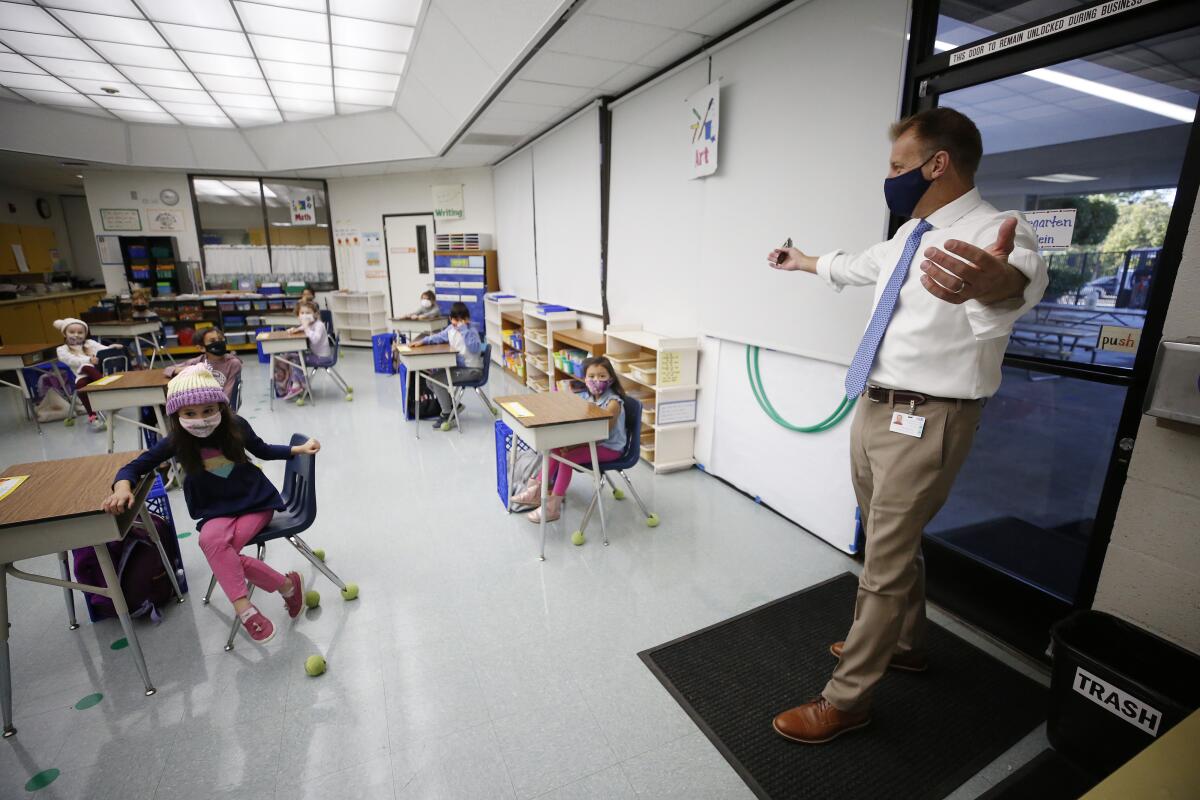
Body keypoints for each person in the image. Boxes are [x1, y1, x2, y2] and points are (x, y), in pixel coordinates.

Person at [766, 108, 1047, 744]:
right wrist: (804, 260)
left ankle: (848, 701)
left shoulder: (999, 230)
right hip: (876, 405)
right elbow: (859, 265)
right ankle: (907, 644)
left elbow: (1018, 278)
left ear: (937, 164)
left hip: (930, 417)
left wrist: (993, 281)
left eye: (898, 166)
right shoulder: (909, 235)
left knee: (884, 562)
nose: (889, 178)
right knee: (891, 541)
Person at [103, 365, 321, 643]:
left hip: (255, 502)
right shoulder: (176, 440)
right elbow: (134, 467)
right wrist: (122, 487)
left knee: (221, 550)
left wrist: (297, 449)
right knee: (212, 542)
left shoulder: (236, 425)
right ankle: (287, 585)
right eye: (190, 414)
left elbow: (262, 450)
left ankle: (245, 610)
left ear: (220, 405)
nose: (200, 419)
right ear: (177, 415)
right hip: (216, 510)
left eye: (208, 410)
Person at [513, 356, 628, 523]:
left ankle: (553, 507)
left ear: (611, 378)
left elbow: (600, 434)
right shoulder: (590, 398)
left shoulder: (613, 403)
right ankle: (537, 490)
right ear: (584, 379)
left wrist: (574, 445)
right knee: (555, 448)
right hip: (594, 443)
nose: (596, 380)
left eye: (602, 376)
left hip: (610, 449)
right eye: (592, 376)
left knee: (566, 458)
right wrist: (570, 443)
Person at [408, 301, 483, 431]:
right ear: (450, 319)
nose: (458, 323)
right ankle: (455, 407)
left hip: (472, 370)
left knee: (437, 382)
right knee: (429, 380)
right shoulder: (451, 329)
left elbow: (475, 348)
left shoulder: (471, 331)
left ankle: (447, 414)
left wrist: (464, 331)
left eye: (461, 320)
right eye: (455, 320)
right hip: (459, 368)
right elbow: (437, 337)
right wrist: (423, 341)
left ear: (467, 319)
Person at [54, 317, 122, 432]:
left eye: (80, 332)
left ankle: (98, 408)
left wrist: (112, 347)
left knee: (83, 381)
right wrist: (88, 360)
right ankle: (94, 414)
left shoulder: (90, 343)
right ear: (65, 333)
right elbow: (70, 360)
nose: (76, 335)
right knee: (83, 376)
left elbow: (102, 350)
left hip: (97, 372)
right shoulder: (62, 349)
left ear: (85, 334)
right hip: (81, 374)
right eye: (72, 332)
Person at [164, 326, 242, 403]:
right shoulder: (198, 361)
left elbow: (228, 394)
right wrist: (189, 369)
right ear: (201, 348)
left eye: (221, 339)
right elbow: (168, 370)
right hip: (201, 404)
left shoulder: (233, 363)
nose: (219, 342)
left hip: (221, 406)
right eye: (212, 341)